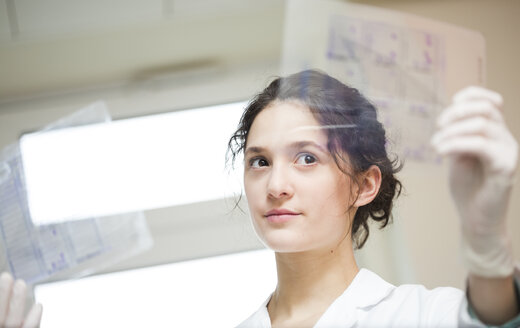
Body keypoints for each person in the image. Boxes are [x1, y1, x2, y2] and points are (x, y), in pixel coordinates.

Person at [227, 70, 520, 327]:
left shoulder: (427, 315)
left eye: (307, 158)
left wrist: (486, 241)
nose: (276, 186)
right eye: (260, 162)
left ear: (364, 185)